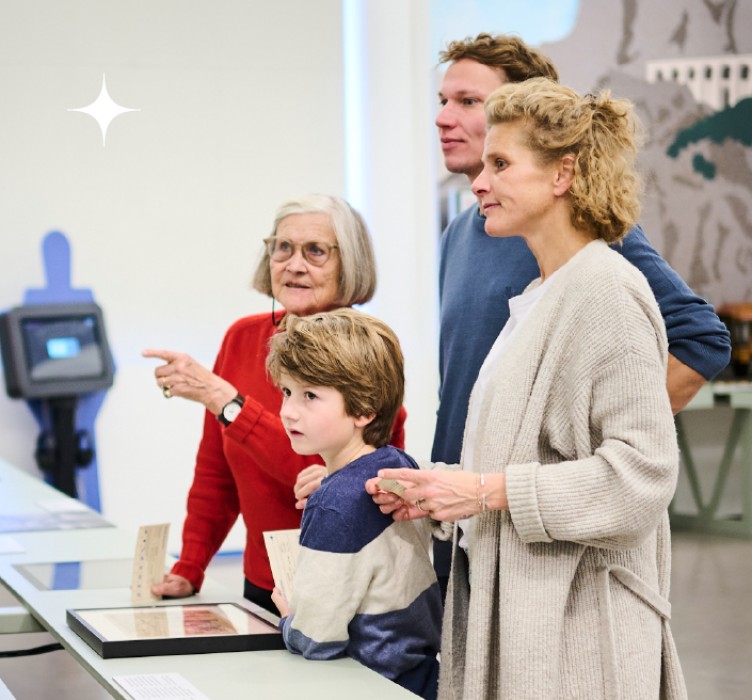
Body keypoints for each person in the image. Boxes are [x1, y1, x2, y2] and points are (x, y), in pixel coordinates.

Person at [374, 78, 686, 699]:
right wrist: (439, 491)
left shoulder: (606, 292)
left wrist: (486, 492)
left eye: (500, 164)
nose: (479, 182)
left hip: (579, 645)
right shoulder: (543, 297)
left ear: (562, 174)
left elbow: (642, 475)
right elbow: (516, 460)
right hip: (526, 623)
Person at [417, 33, 731, 594]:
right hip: (465, 522)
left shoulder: (583, 238)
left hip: (532, 533)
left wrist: (586, 465)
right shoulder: (460, 235)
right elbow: (462, 388)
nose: (445, 117)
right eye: (442, 100)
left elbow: (701, 337)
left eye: (469, 103)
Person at [142, 194, 405, 614]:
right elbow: (217, 470)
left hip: (345, 582)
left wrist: (226, 402)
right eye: (283, 248)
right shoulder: (242, 337)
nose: (294, 265)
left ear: (349, 262)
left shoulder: (366, 348)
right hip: (263, 580)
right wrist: (190, 566)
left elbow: (314, 479)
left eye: (315, 251)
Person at [265, 309, 440, 699]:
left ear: (365, 409)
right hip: (420, 677)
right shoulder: (397, 464)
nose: (289, 410)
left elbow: (316, 639)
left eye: (310, 395)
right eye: (287, 392)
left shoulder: (333, 504)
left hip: (367, 683)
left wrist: (289, 618)